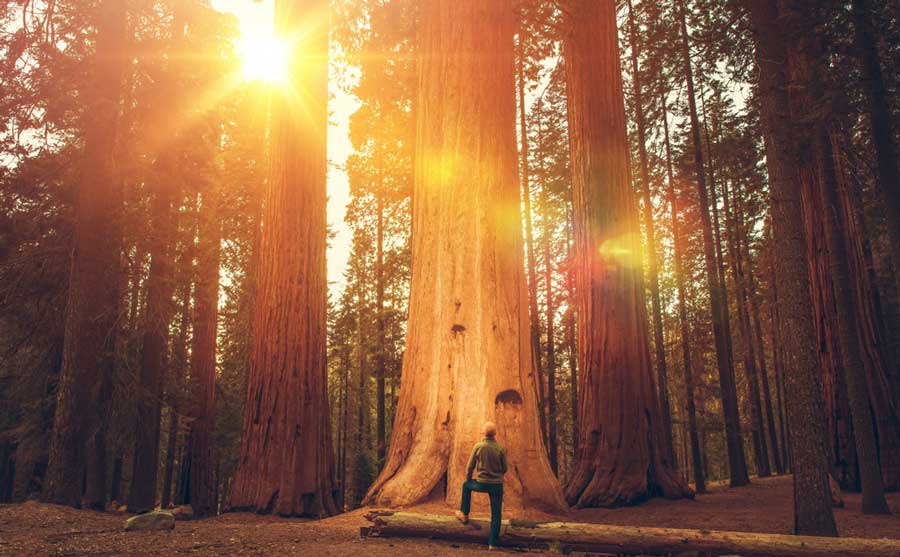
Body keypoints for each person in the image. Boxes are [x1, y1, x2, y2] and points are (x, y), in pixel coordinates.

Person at [455, 421, 507, 550]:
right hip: (496, 485)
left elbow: (470, 466)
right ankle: (492, 544)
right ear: (495, 434)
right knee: (496, 514)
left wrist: (468, 479)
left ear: (484, 433)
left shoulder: (478, 446)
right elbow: (505, 468)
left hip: (481, 483)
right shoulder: (501, 448)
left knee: (466, 486)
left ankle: (464, 514)